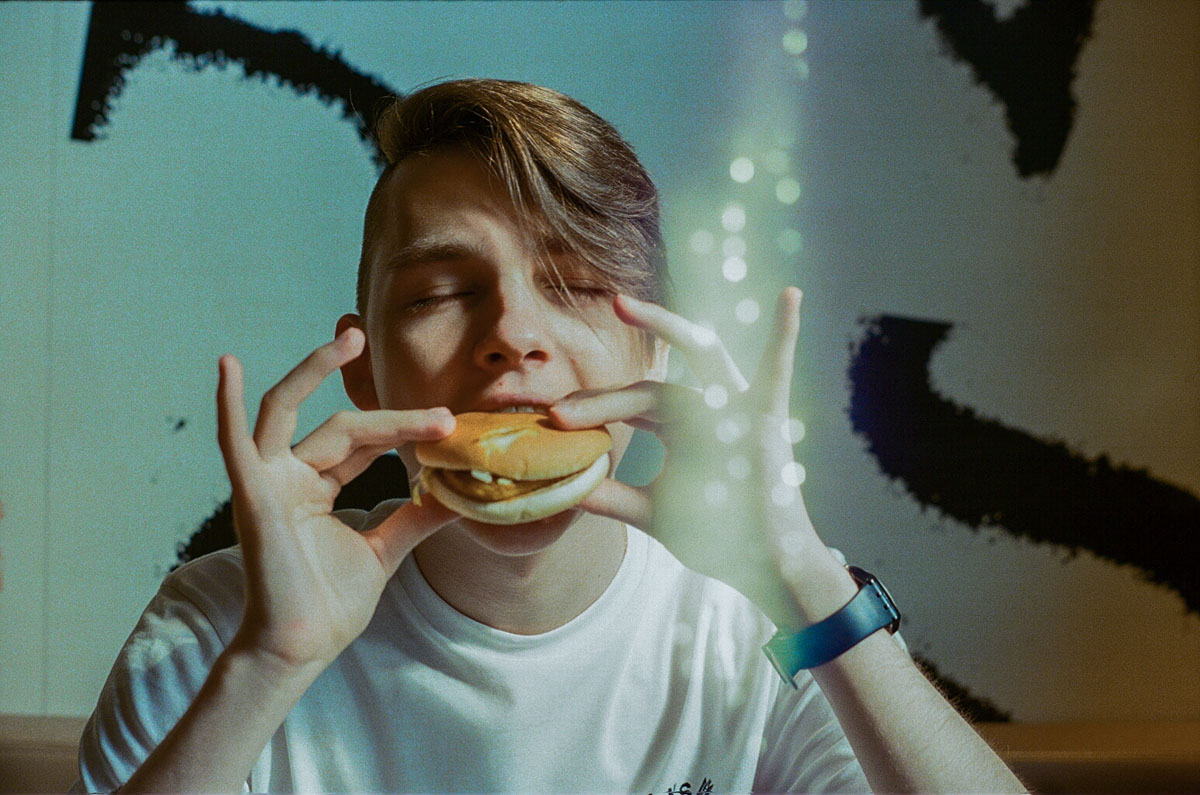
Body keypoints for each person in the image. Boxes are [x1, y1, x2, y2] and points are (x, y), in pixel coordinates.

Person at [74, 78, 1024, 793]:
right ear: (366, 373)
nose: (513, 336)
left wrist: (809, 583)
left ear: (653, 354)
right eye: (441, 292)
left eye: (570, 284)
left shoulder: (762, 631)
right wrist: (270, 664)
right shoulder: (219, 630)